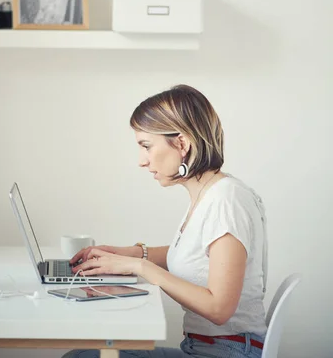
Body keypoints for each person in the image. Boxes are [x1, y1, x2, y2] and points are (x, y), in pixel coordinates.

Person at [69, 84, 267, 358]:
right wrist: (131, 253)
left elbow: (219, 309)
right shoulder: (209, 194)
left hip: (227, 352)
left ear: (182, 144)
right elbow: (197, 256)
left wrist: (139, 267)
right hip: (205, 348)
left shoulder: (226, 200)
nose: (142, 161)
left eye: (147, 146)